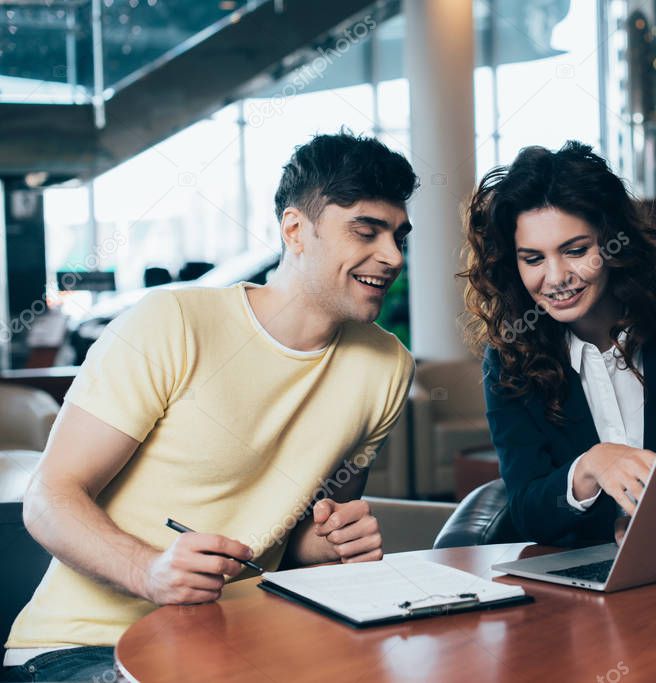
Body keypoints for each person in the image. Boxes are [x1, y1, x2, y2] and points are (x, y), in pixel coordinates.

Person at [2, 132, 417, 682]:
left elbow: (305, 539)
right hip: (81, 649)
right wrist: (149, 571)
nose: (391, 257)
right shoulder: (171, 323)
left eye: (399, 236)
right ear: (295, 230)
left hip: (233, 649)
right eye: (366, 231)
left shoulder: (386, 366)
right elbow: (48, 499)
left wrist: (325, 545)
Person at [461, 141, 656, 547]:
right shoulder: (509, 361)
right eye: (533, 259)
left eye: (576, 251)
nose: (556, 278)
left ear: (614, 243)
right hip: (576, 590)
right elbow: (526, 510)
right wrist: (588, 468)